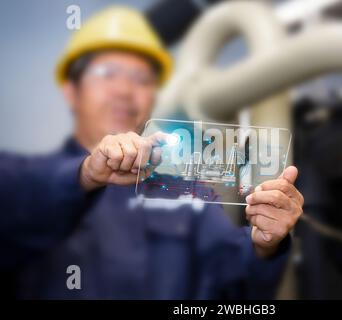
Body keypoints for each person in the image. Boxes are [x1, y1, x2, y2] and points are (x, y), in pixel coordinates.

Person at [0, 6, 303, 299]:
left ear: (153, 96)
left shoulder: (188, 195)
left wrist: (265, 244)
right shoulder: (20, 182)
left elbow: (234, 286)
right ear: (71, 90)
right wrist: (85, 175)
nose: (124, 90)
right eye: (108, 73)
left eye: (141, 79)